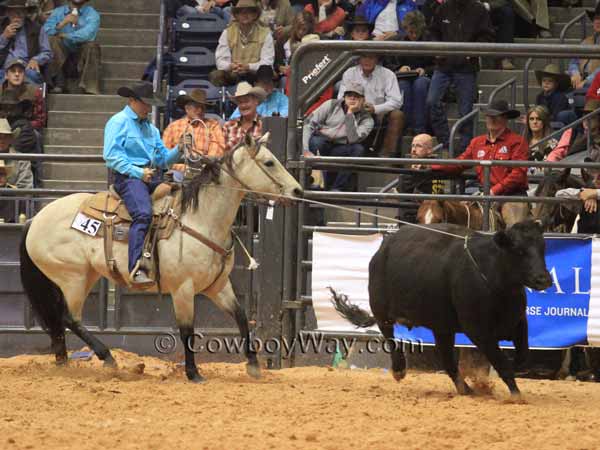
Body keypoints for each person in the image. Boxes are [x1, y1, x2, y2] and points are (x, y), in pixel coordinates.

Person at [103, 82, 183, 286]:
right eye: (145, 104)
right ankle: (136, 267)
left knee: (178, 200)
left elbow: (163, 160)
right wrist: (138, 172)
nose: (148, 108)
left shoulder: (152, 129)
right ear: (132, 101)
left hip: (150, 176)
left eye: (150, 105)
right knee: (143, 214)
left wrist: (180, 149)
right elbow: (111, 156)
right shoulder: (118, 122)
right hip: (128, 178)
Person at [427, 0, 495, 153]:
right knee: (432, 102)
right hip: (443, 65)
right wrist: (436, 48)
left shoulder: (478, 10)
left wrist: (473, 51)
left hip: (466, 67)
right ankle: (446, 143)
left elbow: (488, 35)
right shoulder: (443, 8)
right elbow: (432, 32)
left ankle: (466, 149)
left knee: (466, 112)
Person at [431, 99, 528, 197]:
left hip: (512, 195)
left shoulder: (517, 141)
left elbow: (518, 173)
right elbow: (459, 163)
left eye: (496, 116)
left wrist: (495, 190)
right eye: (489, 116)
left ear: (505, 118)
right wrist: (430, 166)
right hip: (485, 193)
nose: (492, 119)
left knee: (511, 210)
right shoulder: (477, 142)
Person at [303, 83, 374, 191]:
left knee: (358, 149)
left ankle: (337, 188)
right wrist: (305, 150)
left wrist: (350, 114)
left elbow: (353, 139)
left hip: (341, 147)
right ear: (344, 97)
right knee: (317, 142)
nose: (352, 98)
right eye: (349, 95)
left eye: (356, 96)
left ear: (362, 100)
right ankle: (316, 183)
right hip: (322, 143)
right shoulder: (331, 104)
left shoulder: (367, 119)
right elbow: (308, 124)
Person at [338, 52, 404, 157]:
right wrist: (356, 106)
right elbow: (340, 99)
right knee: (342, 112)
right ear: (359, 59)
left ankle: (386, 157)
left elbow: (396, 101)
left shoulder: (388, 74)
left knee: (397, 115)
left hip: (379, 114)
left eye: (371, 57)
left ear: (377, 59)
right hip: (355, 111)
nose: (367, 61)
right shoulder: (350, 73)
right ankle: (349, 152)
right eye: (364, 57)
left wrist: (376, 108)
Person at [387, 11, 433, 135]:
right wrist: (399, 68)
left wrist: (426, 70)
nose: (413, 35)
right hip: (403, 77)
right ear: (405, 29)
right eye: (410, 32)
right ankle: (405, 128)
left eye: (416, 32)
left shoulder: (430, 40)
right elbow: (387, 63)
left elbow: (439, 64)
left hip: (424, 77)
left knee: (420, 85)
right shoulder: (397, 40)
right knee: (403, 86)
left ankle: (419, 129)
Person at [209, 0, 274, 87]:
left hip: (255, 75)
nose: (244, 14)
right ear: (236, 15)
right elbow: (220, 61)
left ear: (255, 15)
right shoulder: (227, 32)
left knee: (265, 71)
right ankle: (223, 98)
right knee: (216, 75)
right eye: (240, 12)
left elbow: (267, 63)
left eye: (249, 11)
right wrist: (231, 66)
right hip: (234, 74)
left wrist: (248, 67)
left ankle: (262, 97)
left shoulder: (265, 33)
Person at [44, 0, 101, 94]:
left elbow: (88, 34)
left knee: (92, 46)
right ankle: (59, 83)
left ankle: (89, 87)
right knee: (52, 39)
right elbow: (46, 31)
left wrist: (66, 35)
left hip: (80, 57)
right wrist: (63, 23)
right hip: (61, 56)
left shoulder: (92, 14)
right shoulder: (58, 12)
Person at [162, 88, 226, 158]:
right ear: (187, 109)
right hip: (177, 168)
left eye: (203, 107)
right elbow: (164, 156)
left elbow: (216, 152)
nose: (200, 110)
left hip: (204, 167)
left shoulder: (213, 125)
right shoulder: (173, 127)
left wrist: (202, 166)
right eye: (196, 107)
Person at [0, 0, 52, 85]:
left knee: (33, 75)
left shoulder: (37, 28)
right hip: (4, 68)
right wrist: (4, 37)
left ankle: (30, 96)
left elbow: (47, 52)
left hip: (26, 67)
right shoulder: (1, 27)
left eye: (20, 12)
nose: (17, 16)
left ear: (25, 13)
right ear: (8, 13)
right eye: (13, 12)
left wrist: (36, 59)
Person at [0, 58, 45, 131]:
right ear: (6, 75)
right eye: (13, 71)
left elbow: (40, 120)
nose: (17, 74)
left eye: (20, 72)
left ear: (24, 75)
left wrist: (25, 125)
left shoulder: (34, 92)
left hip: (27, 130)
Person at [222, 81, 266, 151]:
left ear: (256, 101)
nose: (243, 105)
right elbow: (222, 153)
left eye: (246, 101)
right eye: (240, 102)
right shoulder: (228, 126)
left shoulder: (265, 124)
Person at [568, 4, 600, 90]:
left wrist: (586, 81)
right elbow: (573, 62)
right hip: (581, 82)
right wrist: (575, 73)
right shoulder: (586, 41)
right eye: (596, 18)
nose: (597, 21)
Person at [274, 10, 315, 77]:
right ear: (294, 26)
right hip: (287, 77)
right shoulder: (283, 39)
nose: (300, 32)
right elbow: (276, 63)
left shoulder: (314, 39)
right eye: (298, 28)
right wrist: (280, 67)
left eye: (304, 29)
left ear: (309, 29)